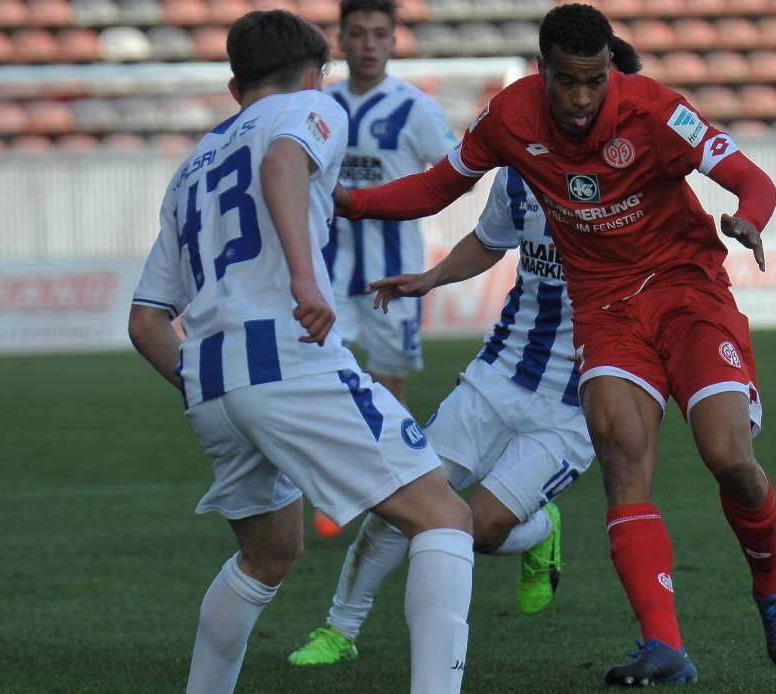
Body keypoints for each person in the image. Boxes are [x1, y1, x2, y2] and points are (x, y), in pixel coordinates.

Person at [331, 3, 776, 686]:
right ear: (543, 70)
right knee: (622, 463)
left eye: (594, 81)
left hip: (687, 292)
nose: (582, 99)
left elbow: (752, 179)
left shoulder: (656, 111)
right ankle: (664, 647)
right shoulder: (510, 119)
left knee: (728, 456)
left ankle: (771, 590)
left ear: (610, 69)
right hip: (607, 311)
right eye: (567, 82)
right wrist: (352, 201)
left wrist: (749, 218)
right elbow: (439, 186)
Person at [126, 11, 472, 693]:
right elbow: (284, 163)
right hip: (285, 353)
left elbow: (145, 322)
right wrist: (306, 280)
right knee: (444, 514)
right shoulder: (313, 106)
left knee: (268, 553)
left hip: (211, 376)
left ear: (235, 86)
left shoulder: (191, 167)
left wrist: (206, 383)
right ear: (317, 73)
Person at [288, 166, 595, 666]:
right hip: (498, 375)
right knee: (406, 498)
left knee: (477, 529)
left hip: (573, 403)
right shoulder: (518, 175)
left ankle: (541, 531)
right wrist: (432, 278)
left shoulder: (629, 183)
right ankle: (339, 630)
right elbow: (489, 240)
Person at [323, 0, 458, 401]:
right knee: (323, 384)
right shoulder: (321, 105)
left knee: (388, 391)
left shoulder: (415, 107)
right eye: (359, 34)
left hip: (394, 271)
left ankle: (383, 462)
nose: (369, 44)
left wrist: (411, 199)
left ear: (393, 42)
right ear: (341, 40)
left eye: (379, 35)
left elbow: (458, 173)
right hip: (327, 270)